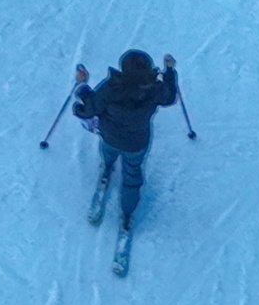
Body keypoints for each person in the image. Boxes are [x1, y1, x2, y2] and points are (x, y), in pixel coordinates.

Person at [72, 50, 179, 228]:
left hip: (110, 137)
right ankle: (127, 215)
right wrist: (169, 71)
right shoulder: (154, 89)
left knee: (107, 152)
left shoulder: (110, 88)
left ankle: (107, 168)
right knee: (132, 175)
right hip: (137, 143)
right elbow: (170, 97)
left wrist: (82, 88)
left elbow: (90, 108)